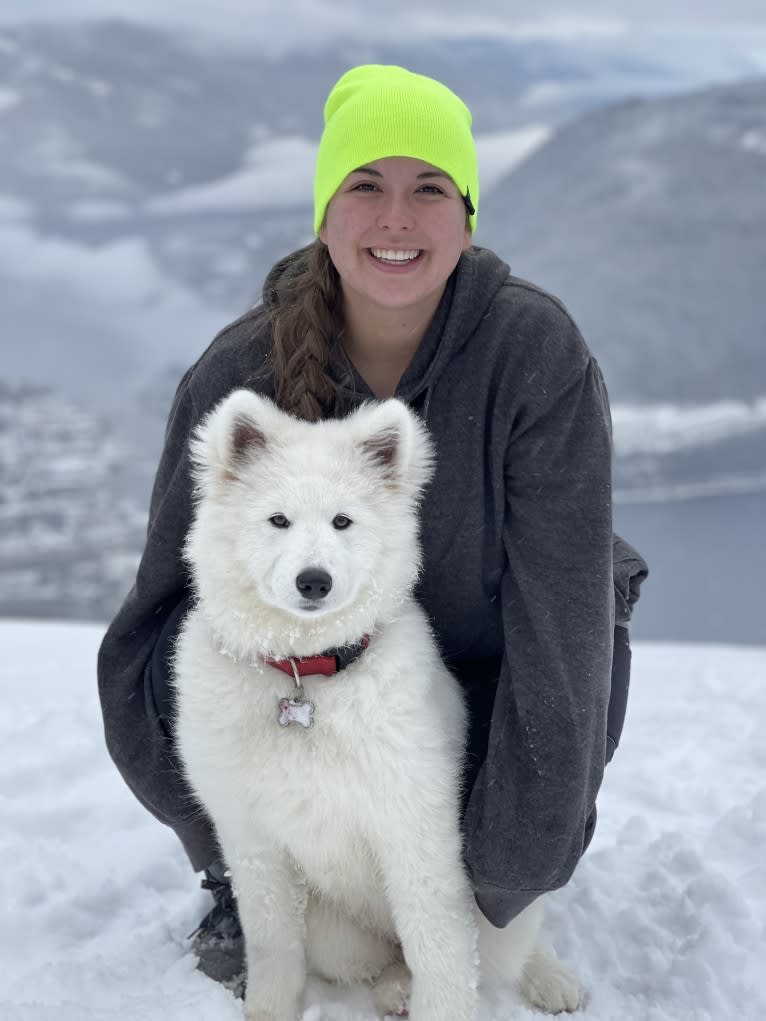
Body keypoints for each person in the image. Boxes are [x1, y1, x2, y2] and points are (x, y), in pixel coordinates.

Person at [97, 64, 648, 986]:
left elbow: (564, 628)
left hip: (494, 667)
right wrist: (227, 828)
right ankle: (261, 880)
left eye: (430, 188)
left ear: (467, 217)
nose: (397, 217)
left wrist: (507, 872)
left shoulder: (533, 352)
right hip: (296, 673)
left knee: (486, 870)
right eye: (365, 186)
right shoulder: (240, 372)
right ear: (325, 213)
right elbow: (156, 618)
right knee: (196, 659)